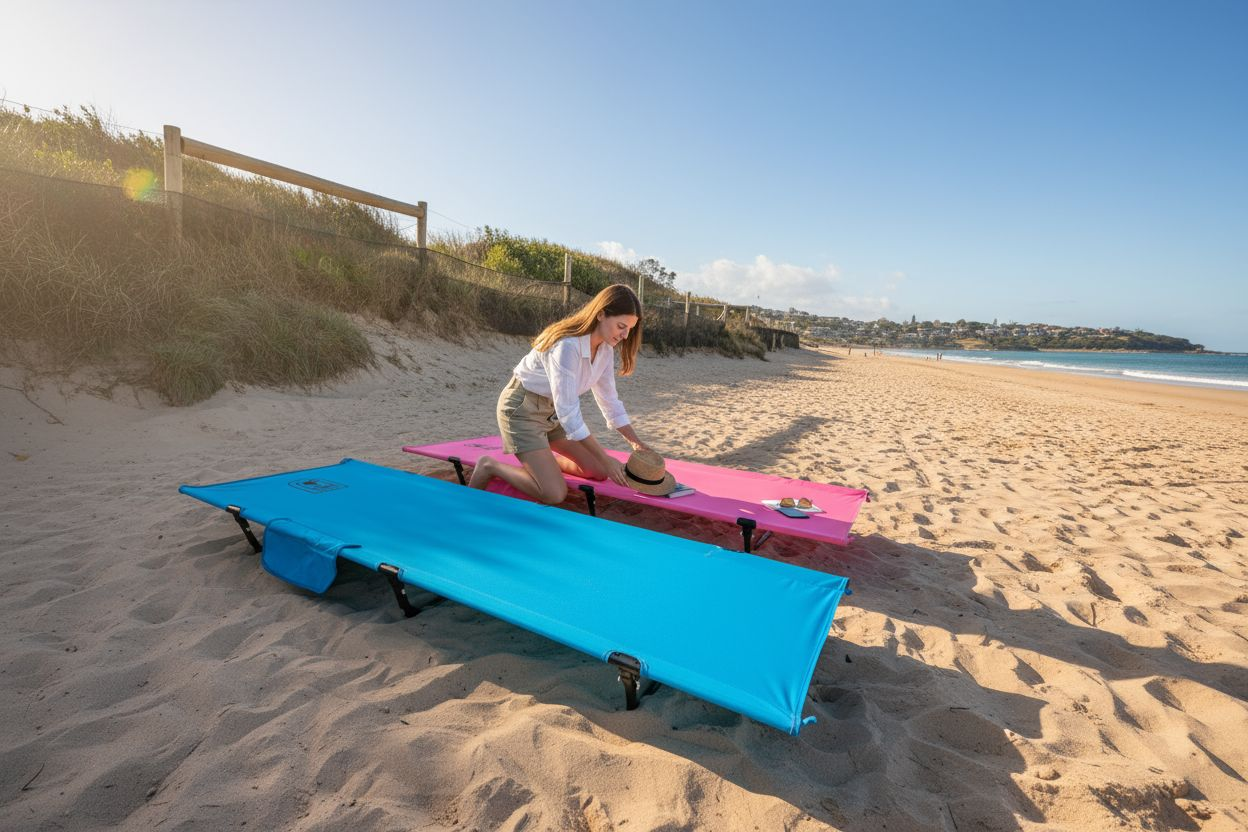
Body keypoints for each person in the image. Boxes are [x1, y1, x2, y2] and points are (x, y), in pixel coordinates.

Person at [467, 283, 652, 504]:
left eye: (630, 328)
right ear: (601, 314)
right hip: (521, 411)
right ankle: (490, 466)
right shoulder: (567, 347)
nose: (625, 335)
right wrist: (606, 456)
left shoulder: (604, 351)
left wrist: (637, 443)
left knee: (600, 470)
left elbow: (610, 402)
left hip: (552, 416)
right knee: (554, 493)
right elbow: (570, 415)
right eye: (622, 326)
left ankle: (542, 462)